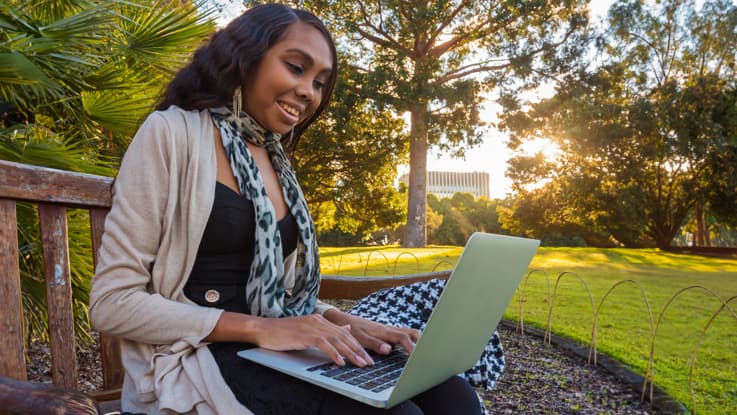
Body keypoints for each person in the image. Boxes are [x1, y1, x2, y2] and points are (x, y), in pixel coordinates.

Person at [89, 4, 486, 415]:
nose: (309, 92)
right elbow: (113, 302)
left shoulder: (275, 158)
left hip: (271, 350)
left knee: (452, 395)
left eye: (319, 82)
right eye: (296, 68)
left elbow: (278, 299)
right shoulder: (171, 134)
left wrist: (343, 322)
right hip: (193, 359)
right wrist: (261, 329)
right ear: (245, 58)